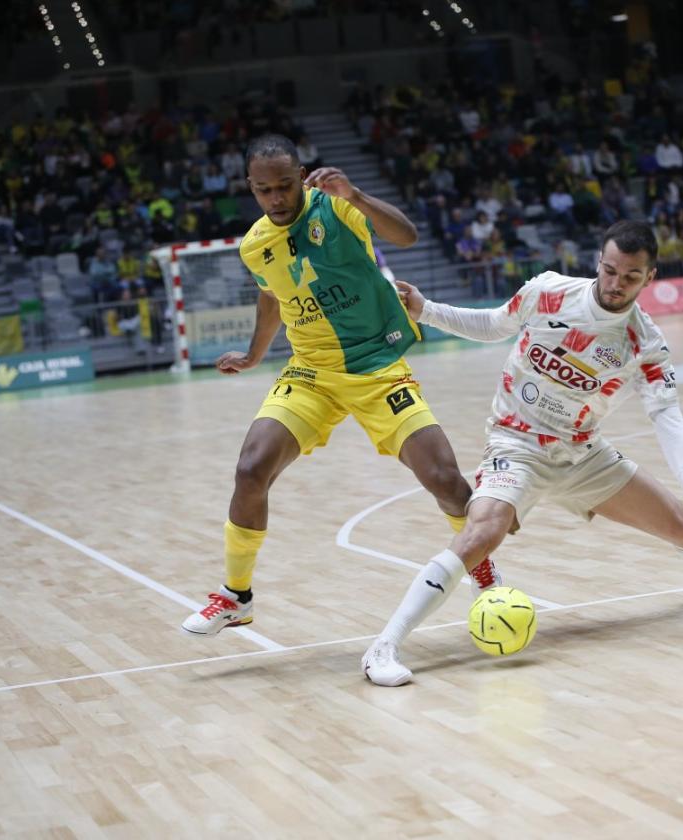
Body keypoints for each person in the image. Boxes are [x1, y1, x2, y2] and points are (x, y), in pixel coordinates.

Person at [360, 220, 683, 686]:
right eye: (609, 270)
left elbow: (668, 418)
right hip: (516, 443)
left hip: (583, 454)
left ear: (650, 279)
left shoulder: (644, 343)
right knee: (482, 532)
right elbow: (493, 325)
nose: (615, 284)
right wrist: (424, 310)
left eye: (630, 277)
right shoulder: (549, 292)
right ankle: (385, 645)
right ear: (598, 263)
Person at [180, 135, 501, 637]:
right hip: (311, 372)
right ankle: (235, 597)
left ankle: (484, 573)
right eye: (265, 191)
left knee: (443, 478)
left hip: (376, 366)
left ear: (300, 175)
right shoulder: (254, 245)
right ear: (252, 188)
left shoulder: (336, 207)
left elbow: (407, 236)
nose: (277, 198)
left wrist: (357, 196)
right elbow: (271, 299)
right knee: (250, 469)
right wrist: (253, 355)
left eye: (285, 186)